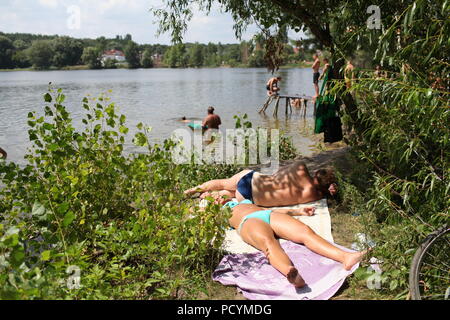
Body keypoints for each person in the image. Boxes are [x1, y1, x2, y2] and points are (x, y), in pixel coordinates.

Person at [223, 199, 366, 287]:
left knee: (304, 231)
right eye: (214, 197)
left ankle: (346, 257)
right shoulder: (216, 212)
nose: (217, 197)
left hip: (267, 214)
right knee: (269, 243)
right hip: (248, 222)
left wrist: (298, 211)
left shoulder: (244, 201)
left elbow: (270, 209)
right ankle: (290, 273)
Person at [185, 161, 338, 207]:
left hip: (252, 180)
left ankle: (191, 191)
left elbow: (278, 173)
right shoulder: (313, 194)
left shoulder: (300, 167)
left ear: (317, 172)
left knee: (223, 183)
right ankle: (209, 197)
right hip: (250, 198)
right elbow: (326, 193)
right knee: (231, 194)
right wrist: (328, 191)